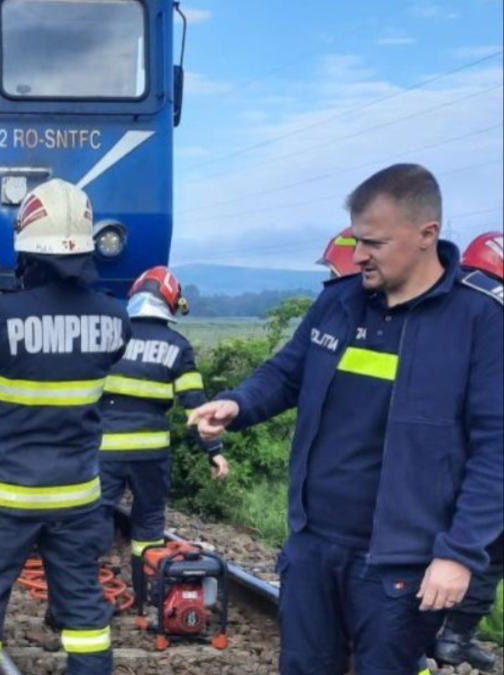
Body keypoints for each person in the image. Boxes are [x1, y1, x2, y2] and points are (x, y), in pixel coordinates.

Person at [188, 164, 503, 674]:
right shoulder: (340, 302)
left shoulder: (479, 320)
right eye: (356, 240)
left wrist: (460, 554)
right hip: (313, 548)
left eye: (373, 243)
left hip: (402, 566)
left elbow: (496, 450)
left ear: (427, 234)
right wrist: (238, 404)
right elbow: (287, 373)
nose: (358, 256)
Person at [0, 178, 131, 674]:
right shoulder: (115, 319)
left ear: (26, 249)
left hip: (3, 500)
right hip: (77, 500)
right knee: (85, 615)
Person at [97, 266, 228, 595]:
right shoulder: (178, 346)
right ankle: (146, 594)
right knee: (149, 524)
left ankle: (85, 595)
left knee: (95, 516)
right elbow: (196, 406)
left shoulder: (108, 336)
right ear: (170, 302)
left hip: (104, 451)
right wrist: (214, 453)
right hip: (151, 455)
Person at [428, 230, 504, 671]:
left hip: (447, 451)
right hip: (478, 452)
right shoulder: (488, 307)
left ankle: (441, 640)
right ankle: (452, 638)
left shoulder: (445, 297)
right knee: (488, 550)